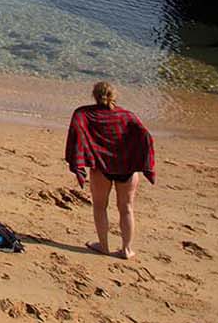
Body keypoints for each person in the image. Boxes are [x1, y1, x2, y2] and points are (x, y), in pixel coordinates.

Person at [64, 80, 155, 259]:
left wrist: (82, 157)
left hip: (101, 167)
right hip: (127, 168)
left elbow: (76, 130)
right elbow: (145, 135)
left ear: (95, 96)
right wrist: (140, 160)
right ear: (115, 96)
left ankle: (103, 246)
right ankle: (126, 249)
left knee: (100, 206)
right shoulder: (128, 116)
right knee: (127, 208)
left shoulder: (84, 113)